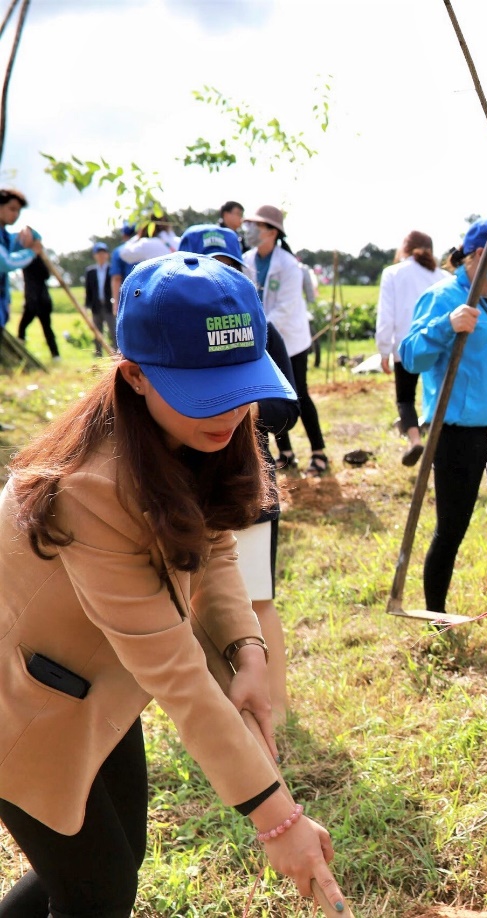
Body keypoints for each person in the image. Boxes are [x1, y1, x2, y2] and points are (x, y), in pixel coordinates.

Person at [0, 252, 344, 915]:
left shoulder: (194, 431)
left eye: (241, 383)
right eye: (202, 392)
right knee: (95, 891)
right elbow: (179, 678)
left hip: (88, 684)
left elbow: (211, 545)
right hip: (19, 699)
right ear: (134, 377)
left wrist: (245, 650)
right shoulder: (90, 489)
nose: (229, 410)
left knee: (113, 867)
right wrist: (277, 820)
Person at [180, 223, 300, 726]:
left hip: (240, 487)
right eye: (205, 272)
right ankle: (214, 713)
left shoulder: (261, 329)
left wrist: (232, 403)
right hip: (179, 490)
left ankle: (274, 708)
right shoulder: (169, 333)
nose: (219, 284)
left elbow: (284, 409)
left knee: (256, 600)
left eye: (228, 271)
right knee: (189, 606)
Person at [399, 218, 487, 616]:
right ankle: (436, 616)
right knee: (452, 529)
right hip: (457, 432)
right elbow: (411, 356)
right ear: (480, 256)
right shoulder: (442, 297)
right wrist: (447, 326)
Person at [242, 204, 330, 478]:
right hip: (260, 340)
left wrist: (254, 329)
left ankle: (319, 452)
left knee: (298, 393)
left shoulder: (290, 265)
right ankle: (287, 454)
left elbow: (286, 307)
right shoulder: (247, 261)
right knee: (270, 394)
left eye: (256, 225)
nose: (250, 231)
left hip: (289, 340)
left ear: (272, 232)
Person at [376, 230, 446, 466]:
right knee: (437, 396)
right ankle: (439, 446)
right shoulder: (442, 276)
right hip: (438, 345)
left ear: (404, 249)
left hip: (406, 347)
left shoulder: (393, 273)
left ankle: (415, 441)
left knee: (405, 398)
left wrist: (384, 350)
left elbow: (386, 317)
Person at [0, 187, 40, 330]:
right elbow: (6, 263)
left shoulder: (5, 237)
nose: (16, 215)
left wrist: (30, 232)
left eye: (18, 211)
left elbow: (31, 239)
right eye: (12, 209)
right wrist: (32, 252)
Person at [17, 255, 59, 361]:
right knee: (24, 328)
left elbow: (46, 275)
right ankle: (20, 352)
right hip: (34, 301)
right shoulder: (26, 258)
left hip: (39, 301)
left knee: (46, 329)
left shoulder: (35, 259)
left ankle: (55, 354)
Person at [84, 241, 116, 357]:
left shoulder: (113, 269)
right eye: (99, 253)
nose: (101, 256)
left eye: (103, 253)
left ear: (107, 255)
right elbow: (88, 290)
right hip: (96, 305)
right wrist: (86, 306)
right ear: (95, 255)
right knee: (97, 331)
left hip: (109, 304)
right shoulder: (90, 271)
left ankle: (115, 353)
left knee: (113, 329)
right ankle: (98, 354)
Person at [108, 221, 137, 309]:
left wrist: (115, 303)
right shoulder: (149, 246)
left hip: (128, 298)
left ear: (124, 235)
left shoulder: (119, 252)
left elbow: (117, 278)